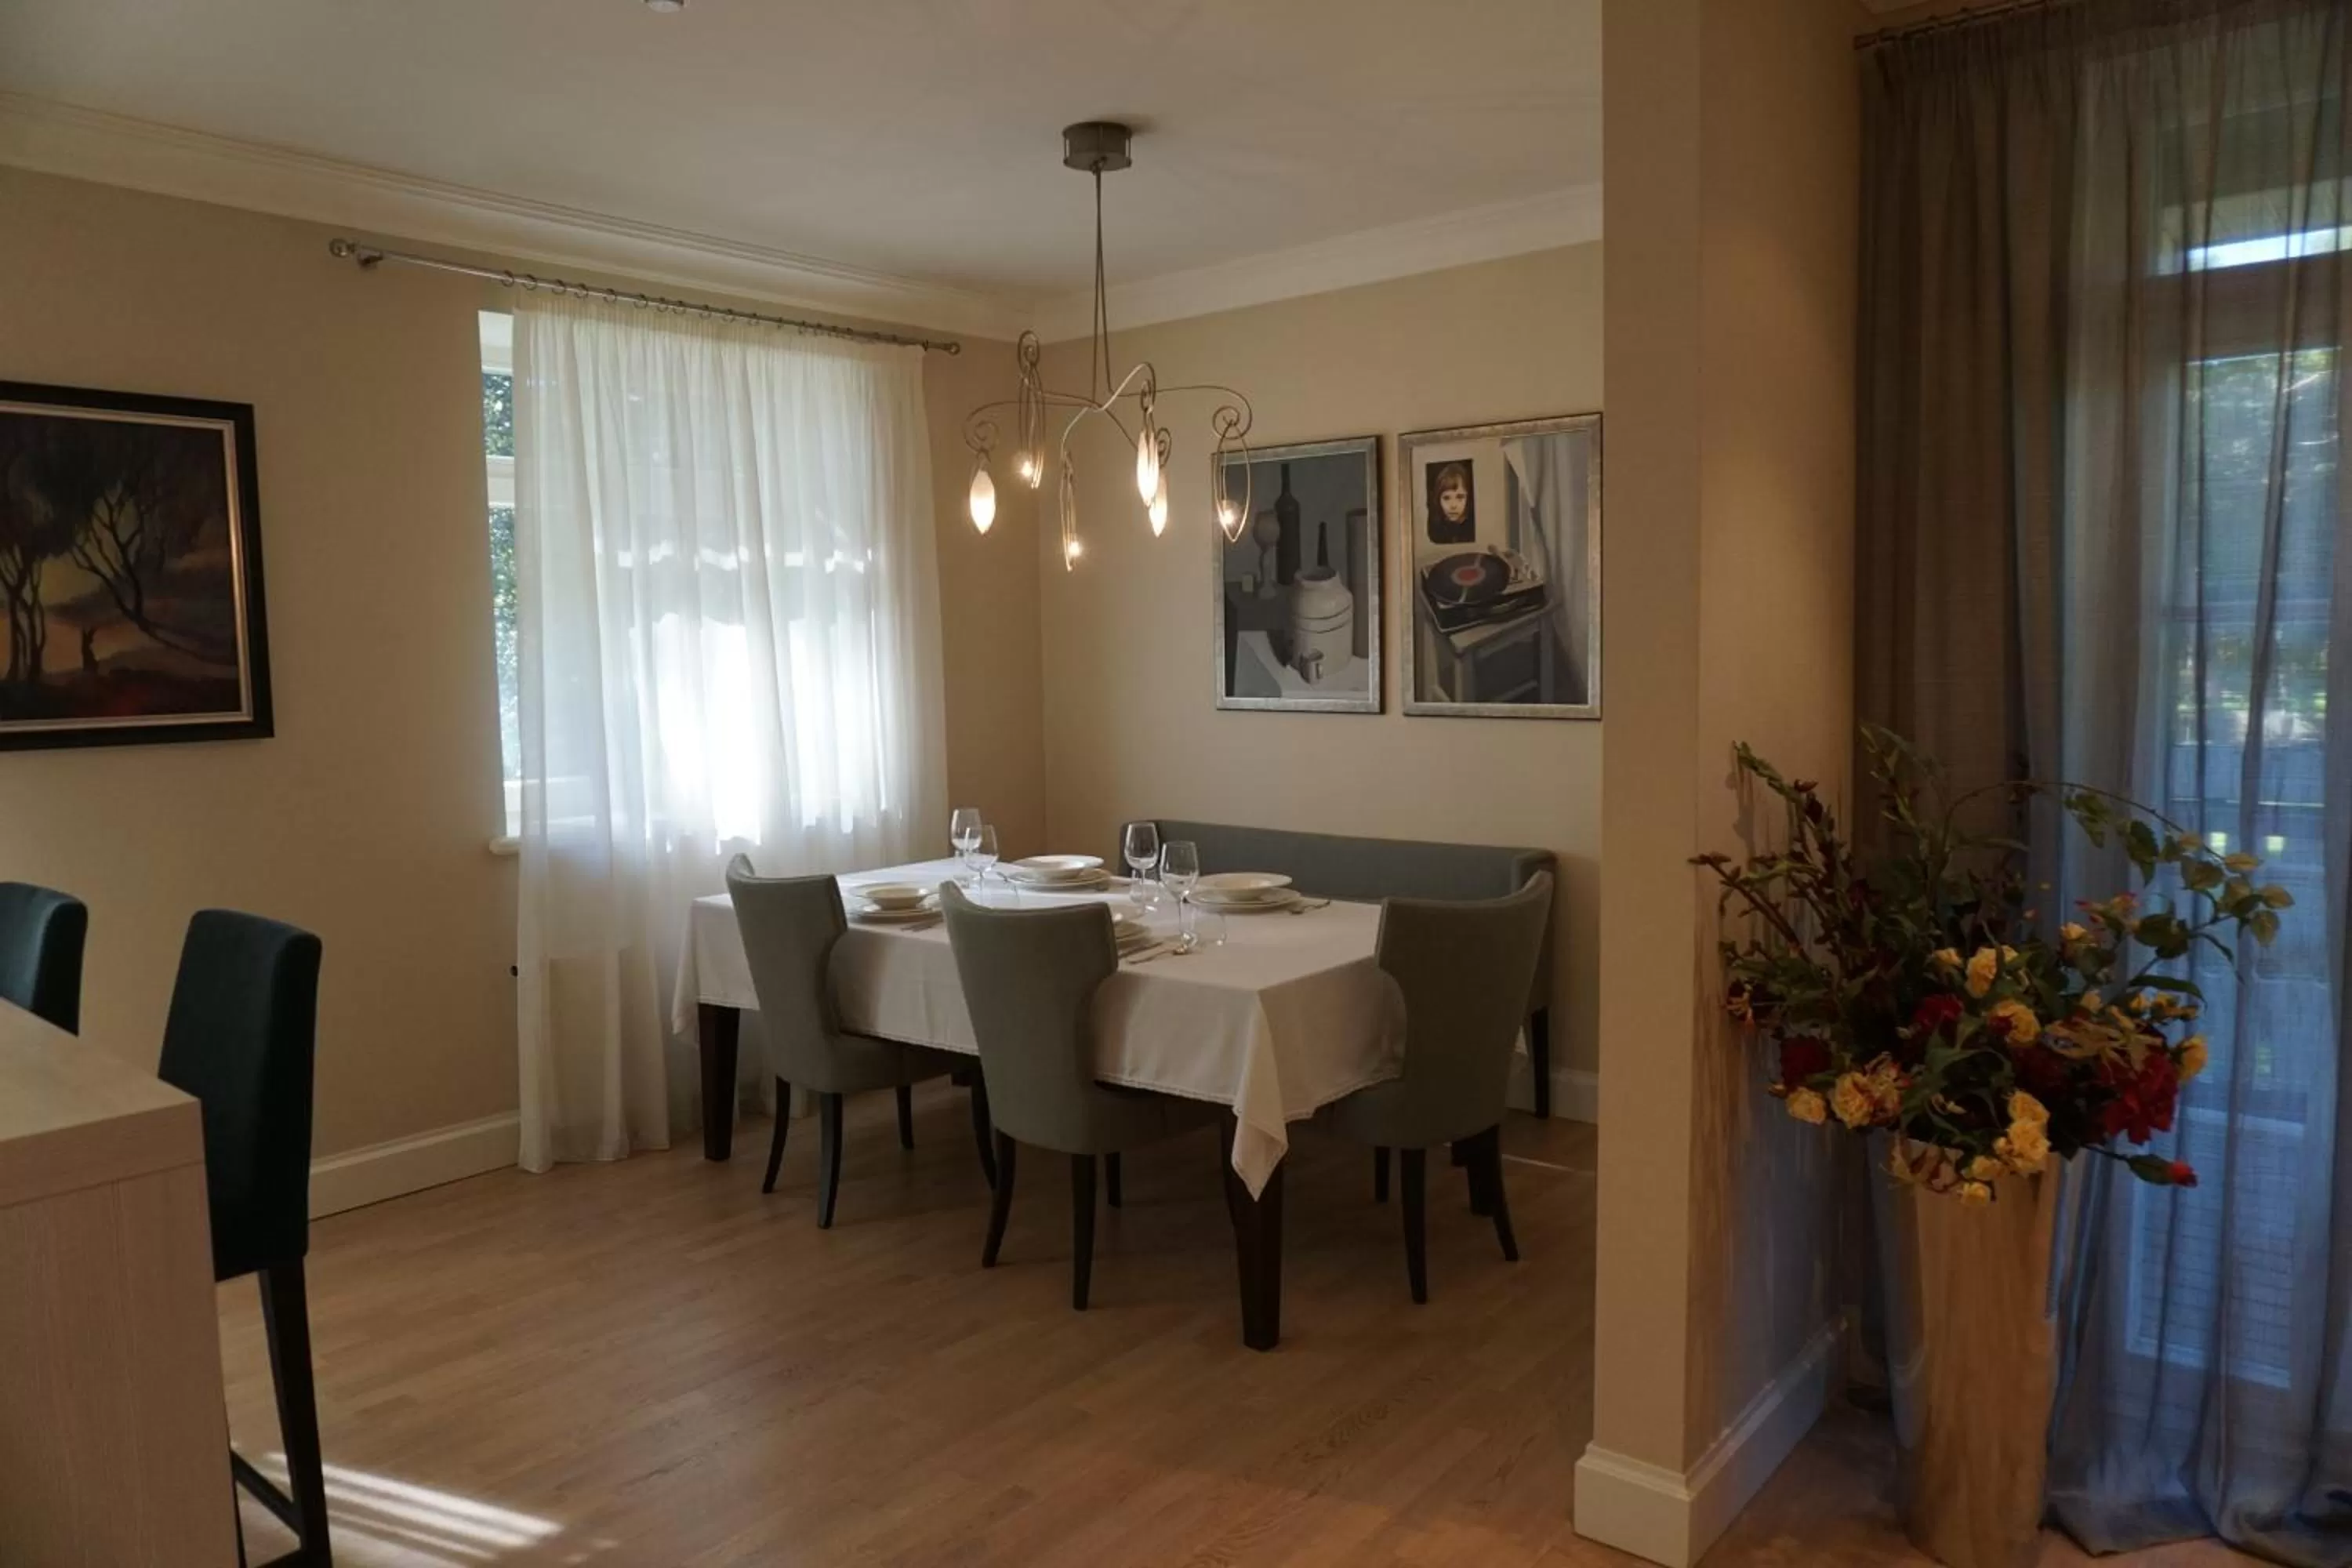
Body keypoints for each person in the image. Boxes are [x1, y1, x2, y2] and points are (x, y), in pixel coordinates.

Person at [1427, 461, 1475, 544]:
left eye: (1460, 497)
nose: (1453, 505)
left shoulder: (1472, 528)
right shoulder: (1436, 531)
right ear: (1438, 500)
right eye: (1446, 498)